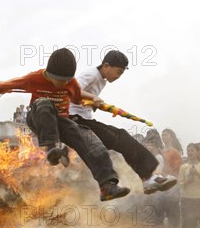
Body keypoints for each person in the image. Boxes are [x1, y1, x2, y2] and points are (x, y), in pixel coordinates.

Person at [0, 48, 129, 201]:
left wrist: (93, 99)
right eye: (60, 80)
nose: (63, 84)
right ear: (49, 74)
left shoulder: (71, 84)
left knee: (90, 139)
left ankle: (107, 186)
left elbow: (77, 95)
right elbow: (13, 83)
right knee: (45, 104)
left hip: (60, 122)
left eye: (66, 81)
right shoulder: (34, 78)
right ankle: (51, 148)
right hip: (38, 117)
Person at [68, 50, 177, 195]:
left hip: (84, 120)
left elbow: (81, 98)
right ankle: (148, 178)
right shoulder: (92, 74)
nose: (118, 77)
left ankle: (147, 178)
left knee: (120, 139)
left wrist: (93, 104)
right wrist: (93, 97)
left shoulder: (101, 80)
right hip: (75, 120)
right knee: (121, 137)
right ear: (106, 66)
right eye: (118, 72)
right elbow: (70, 89)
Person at [178, 143, 200, 228]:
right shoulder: (183, 167)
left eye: (192, 150)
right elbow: (179, 184)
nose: (190, 152)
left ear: (197, 152)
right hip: (186, 199)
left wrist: (198, 174)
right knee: (188, 226)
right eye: (188, 150)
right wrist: (187, 181)